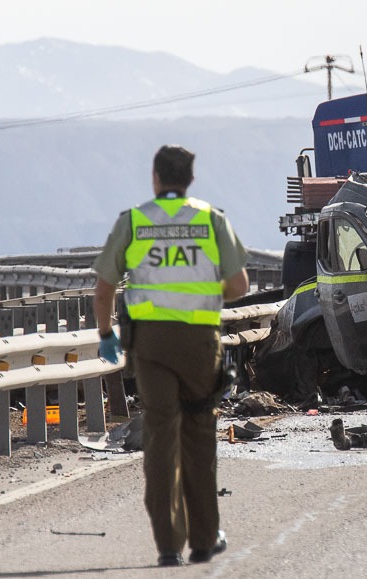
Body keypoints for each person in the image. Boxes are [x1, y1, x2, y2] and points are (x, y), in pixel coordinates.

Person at [92, 144, 249, 567]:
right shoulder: (211, 220)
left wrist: (106, 333)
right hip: (200, 343)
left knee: (161, 438)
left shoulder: (134, 221)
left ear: (155, 178)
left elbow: (104, 287)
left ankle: (167, 546)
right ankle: (203, 540)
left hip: (151, 346)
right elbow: (239, 286)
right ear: (191, 180)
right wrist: (200, 290)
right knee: (199, 433)